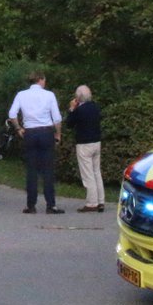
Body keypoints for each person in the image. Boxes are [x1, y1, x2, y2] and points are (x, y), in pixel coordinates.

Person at [8, 71, 63, 215]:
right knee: (48, 169)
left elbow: (12, 114)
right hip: (45, 132)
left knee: (31, 170)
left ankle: (31, 205)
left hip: (30, 133)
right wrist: (58, 134)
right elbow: (56, 118)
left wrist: (19, 128)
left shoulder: (21, 94)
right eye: (44, 80)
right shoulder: (49, 95)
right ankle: (51, 205)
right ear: (41, 79)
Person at [66, 84, 105, 213]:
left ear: (78, 97)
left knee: (87, 174)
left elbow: (69, 124)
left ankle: (91, 202)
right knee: (96, 172)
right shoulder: (95, 108)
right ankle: (101, 201)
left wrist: (71, 109)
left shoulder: (79, 110)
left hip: (84, 144)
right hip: (96, 142)